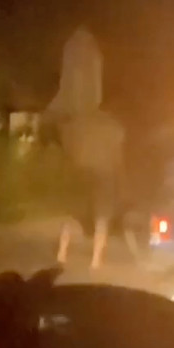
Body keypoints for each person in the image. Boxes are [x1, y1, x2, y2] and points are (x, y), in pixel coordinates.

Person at [55, 110, 138, 269]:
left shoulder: (78, 125)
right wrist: (122, 184)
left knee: (71, 215)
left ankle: (62, 253)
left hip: (81, 172)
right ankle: (96, 260)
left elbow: (69, 151)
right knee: (102, 217)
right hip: (104, 173)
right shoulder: (114, 128)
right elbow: (117, 159)